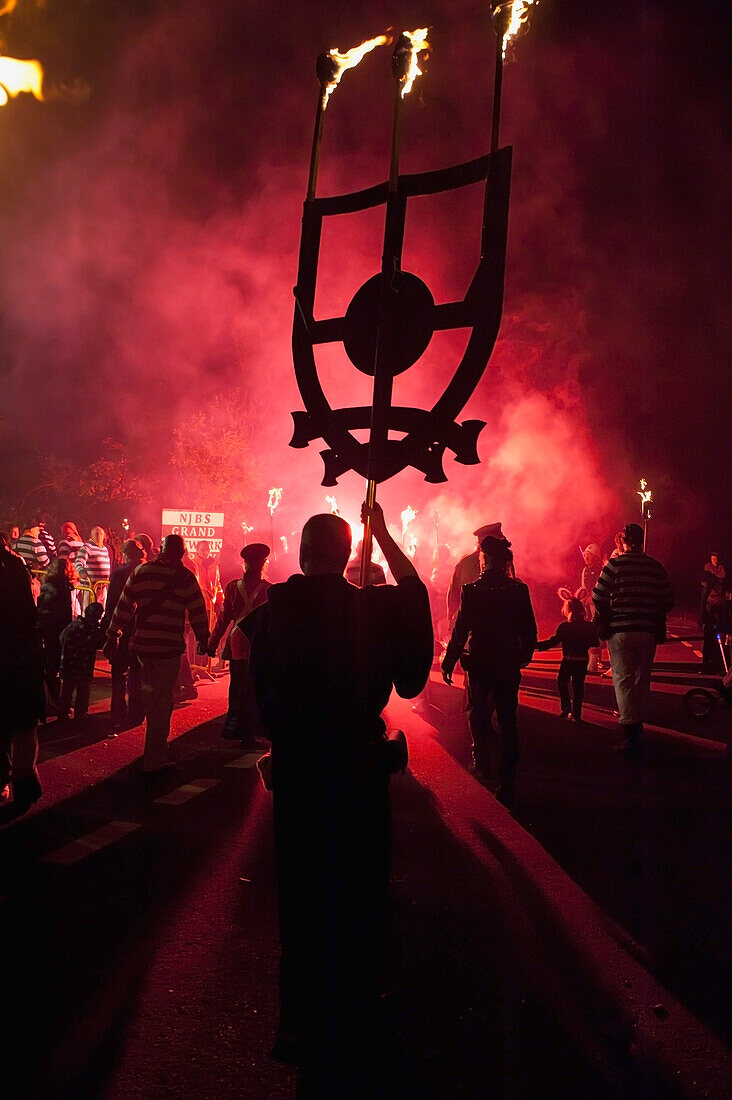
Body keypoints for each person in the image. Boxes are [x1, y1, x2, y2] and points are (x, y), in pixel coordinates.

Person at [240, 502, 432, 1084]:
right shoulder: (371, 611)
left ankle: (297, 1018)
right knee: (360, 889)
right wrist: (385, 535)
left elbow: (254, 699)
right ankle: (354, 1011)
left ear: (301, 553)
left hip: (299, 769)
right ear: (349, 555)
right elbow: (414, 636)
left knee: (300, 893)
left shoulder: (272, 614)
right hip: (356, 769)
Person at [442, 534, 537, 806]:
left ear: (485, 560)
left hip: (480, 661)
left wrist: (450, 661)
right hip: (506, 661)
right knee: (508, 718)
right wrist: (523, 656)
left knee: (477, 712)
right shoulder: (518, 590)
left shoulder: (471, 591)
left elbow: (461, 630)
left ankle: (481, 760)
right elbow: (529, 630)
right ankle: (507, 779)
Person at [105, 534, 209, 779]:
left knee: (151, 696)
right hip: (168, 649)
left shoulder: (141, 572)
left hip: (143, 648)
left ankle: (155, 750)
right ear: (182, 553)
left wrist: (112, 634)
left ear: (160, 550)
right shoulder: (186, 578)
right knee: (161, 703)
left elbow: (123, 606)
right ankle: (154, 761)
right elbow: (197, 613)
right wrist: (205, 641)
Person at [592, 521, 673, 758]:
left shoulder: (614, 565)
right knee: (641, 678)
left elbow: (598, 596)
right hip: (647, 631)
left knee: (623, 679)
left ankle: (630, 731)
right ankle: (639, 723)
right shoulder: (655, 567)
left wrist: (610, 613)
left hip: (620, 632)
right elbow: (668, 601)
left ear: (623, 541)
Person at [207, 543, 271, 744]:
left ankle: (234, 727)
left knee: (237, 686)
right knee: (255, 686)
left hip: (237, 639)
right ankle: (250, 731)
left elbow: (224, 618)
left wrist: (212, 642)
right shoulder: (269, 590)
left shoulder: (233, 587)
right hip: (258, 642)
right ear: (263, 565)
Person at [0, 540, 45, 815]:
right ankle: (24, 782)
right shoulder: (16, 567)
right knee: (24, 724)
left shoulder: (14, 567)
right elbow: (31, 616)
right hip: (21, 657)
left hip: (14, 656)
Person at [100, 538, 146, 730]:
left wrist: (108, 630)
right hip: (143, 629)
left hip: (122, 627)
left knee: (118, 673)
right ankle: (136, 714)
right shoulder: (148, 572)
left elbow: (112, 604)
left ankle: (117, 713)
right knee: (138, 673)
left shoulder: (119, 574)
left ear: (126, 554)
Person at [536, 595, 600, 722]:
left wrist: (536, 646)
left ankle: (566, 708)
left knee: (562, 682)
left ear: (568, 610)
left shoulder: (565, 626)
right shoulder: (588, 626)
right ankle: (577, 714)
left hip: (568, 660)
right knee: (578, 687)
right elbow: (595, 643)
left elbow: (553, 642)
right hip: (582, 660)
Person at [446, 521, 511, 626]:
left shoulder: (464, 562)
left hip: (468, 624)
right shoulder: (500, 561)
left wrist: (453, 619)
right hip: (493, 623)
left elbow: (453, 593)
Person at [37, 557, 76, 703]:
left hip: (45, 627)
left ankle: (49, 698)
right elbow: (64, 612)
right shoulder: (64, 588)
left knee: (49, 662)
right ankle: (56, 700)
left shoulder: (46, 584)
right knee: (57, 665)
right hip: (57, 629)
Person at [58, 603, 105, 721]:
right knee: (83, 690)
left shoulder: (73, 625)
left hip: (68, 663)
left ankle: (63, 713)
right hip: (84, 665)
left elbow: (61, 638)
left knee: (67, 690)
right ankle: (80, 713)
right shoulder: (92, 630)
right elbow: (100, 642)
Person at [580, 542, 605, 672]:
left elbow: (601, 589)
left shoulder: (601, 571)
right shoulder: (585, 570)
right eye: (585, 555)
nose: (586, 557)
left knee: (597, 633)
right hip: (588, 605)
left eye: (589, 555)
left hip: (598, 605)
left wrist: (593, 599)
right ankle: (596, 660)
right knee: (593, 632)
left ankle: (593, 665)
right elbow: (584, 586)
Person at [75, 526, 112, 606]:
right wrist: (82, 572)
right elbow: (78, 562)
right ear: (91, 535)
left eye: (101, 534)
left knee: (101, 612)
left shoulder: (105, 549)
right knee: (88, 611)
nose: (99, 535)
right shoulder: (87, 547)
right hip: (90, 588)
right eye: (97, 533)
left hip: (103, 588)